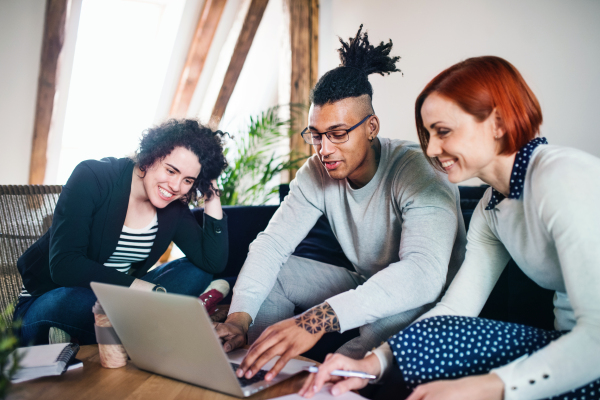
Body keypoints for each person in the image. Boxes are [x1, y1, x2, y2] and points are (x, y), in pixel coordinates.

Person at [301, 56, 600, 400]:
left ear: (498, 123)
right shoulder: (493, 207)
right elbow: (454, 311)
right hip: (565, 347)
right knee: (436, 335)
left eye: (443, 131)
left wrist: (485, 388)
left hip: (591, 354)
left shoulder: (560, 176)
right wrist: (372, 365)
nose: (431, 149)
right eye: (427, 135)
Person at [216, 25, 467, 383]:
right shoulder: (316, 171)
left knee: (348, 360)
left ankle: (316, 383)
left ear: (371, 126)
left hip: (426, 300)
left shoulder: (419, 171)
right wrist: (238, 319)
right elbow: (272, 246)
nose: (325, 149)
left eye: (337, 134)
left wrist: (314, 320)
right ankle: (255, 372)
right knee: (278, 275)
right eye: (316, 135)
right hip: (366, 282)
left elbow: (423, 276)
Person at [14, 119, 229, 345]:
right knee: (74, 300)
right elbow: (64, 265)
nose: (176, 186)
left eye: (187, 180)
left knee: (197, 272)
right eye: (171, 170)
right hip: (54, 300)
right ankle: (177, 321)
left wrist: (211, 189)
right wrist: (143, 289)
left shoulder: (174, 206)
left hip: (126, 305)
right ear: (151, 155)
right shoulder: (93, 176)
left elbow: (212, 262)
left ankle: (137, 329)